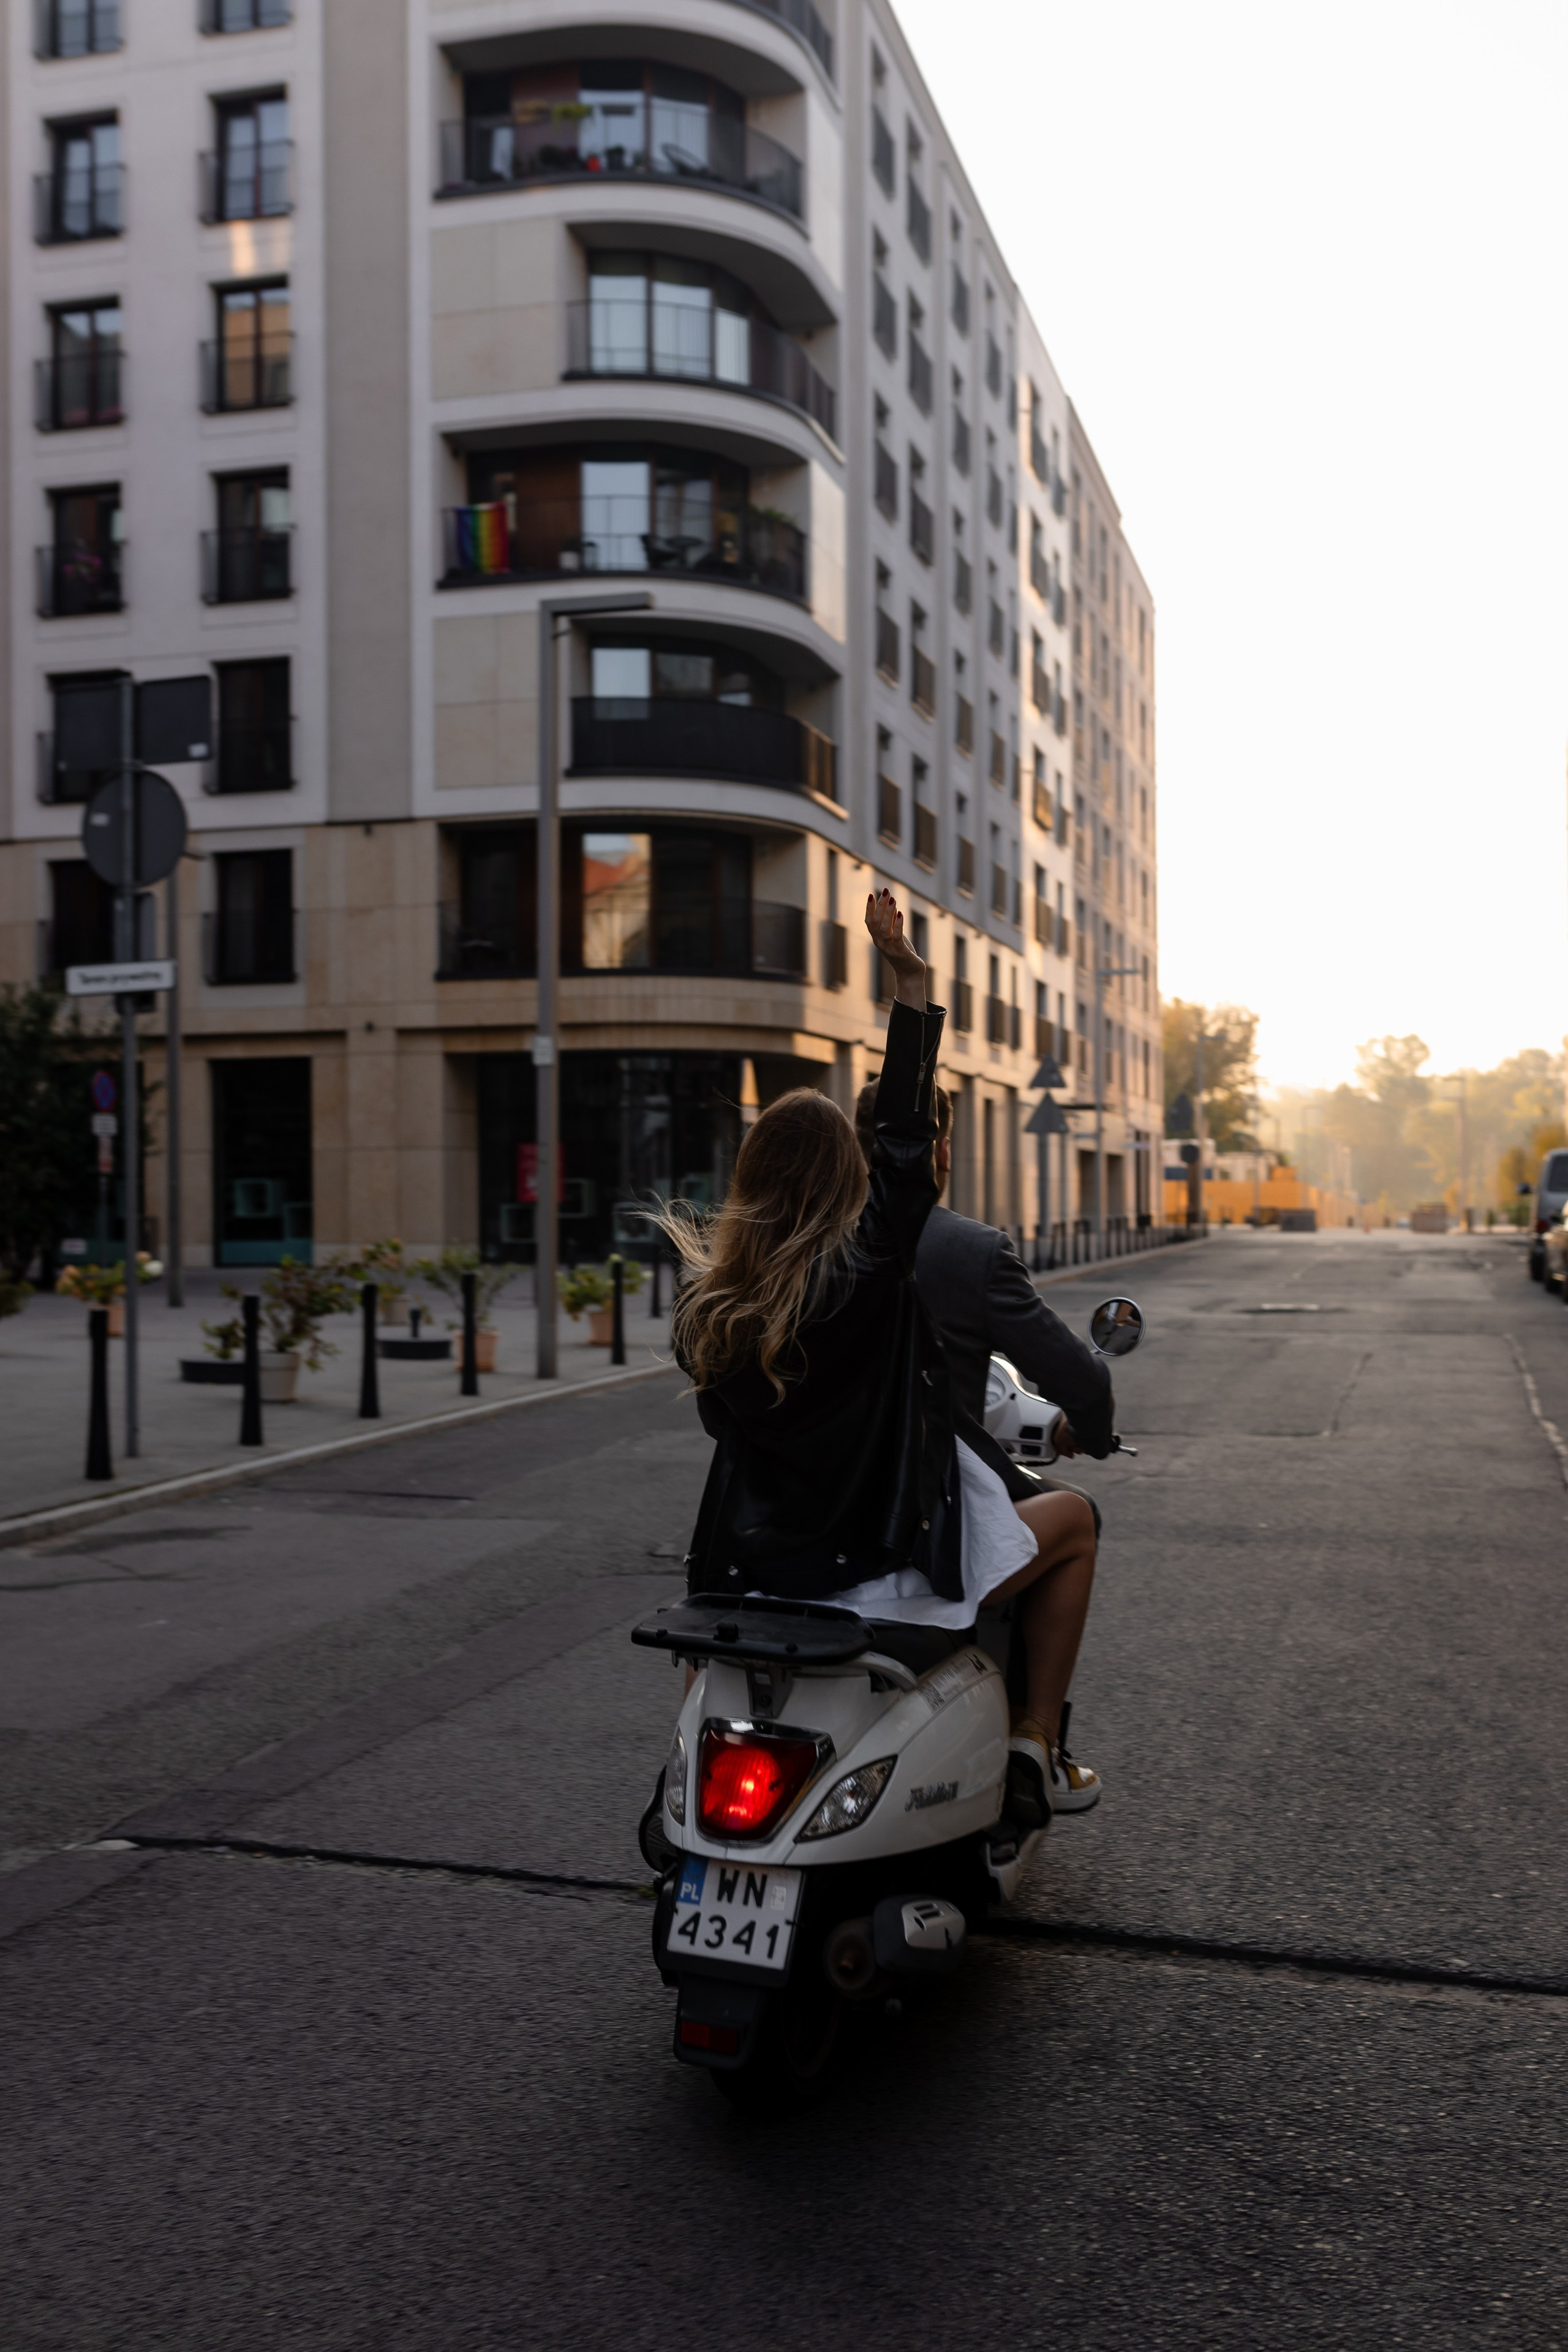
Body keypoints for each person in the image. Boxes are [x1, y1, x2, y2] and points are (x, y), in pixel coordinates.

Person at [660, 888, 1101, 1828]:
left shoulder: (710, 1306)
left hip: (741, 1576)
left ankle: (681, 1801)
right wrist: (906, 975)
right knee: (1074, 1523)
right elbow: (908, 1138)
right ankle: (1035, 1746)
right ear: (849, 1180)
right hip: (869, 1570)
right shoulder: (866, 1271)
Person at [851, 1077, 1114, 1809]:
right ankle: (1036, 1746)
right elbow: (1080, 1380)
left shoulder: (808, 1245)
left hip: (815, 1522)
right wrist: (1085, 1431)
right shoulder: (968, 1251)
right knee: (1077, 1521)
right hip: (921, 1531)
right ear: (939, 1150)